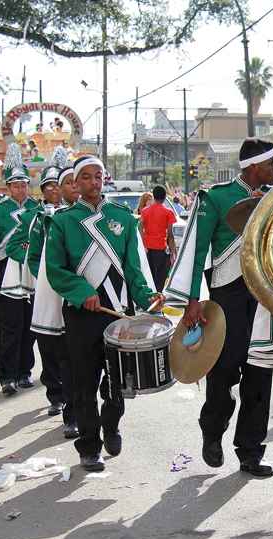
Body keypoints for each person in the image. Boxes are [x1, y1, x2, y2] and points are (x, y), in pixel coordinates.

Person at [164, 138, 273, 477]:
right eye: (272, 165)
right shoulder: (215, 197)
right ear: (255, 166)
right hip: (226, 295)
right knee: (224, 369)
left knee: (260, 370)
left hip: (264, 296)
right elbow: (196, 250)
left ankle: (250, 450)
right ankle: (212, 431)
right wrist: (191, 300)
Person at [45, 156, 163, 471]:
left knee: (118, 382)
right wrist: (83, 293)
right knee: (84, 381)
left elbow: (134, 269)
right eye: (86, 177)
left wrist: (149, 297)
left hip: (117, 314)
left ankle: (111, 425)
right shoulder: (62, 221)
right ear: (75, 182)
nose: (94, 182)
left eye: (98, 176)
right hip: (82, 315)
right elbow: (55, 270)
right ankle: (89, 446)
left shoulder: (123, 218)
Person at [6, 160, 78, 439]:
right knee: (50, 348)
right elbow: (28, 252)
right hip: (47, 292)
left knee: (75, 355)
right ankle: (56, 396)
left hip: (80, 296)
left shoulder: (85, 215)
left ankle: (76, 410)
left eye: (73, 183)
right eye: (54, 186)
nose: (59, 191)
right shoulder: (37, 217)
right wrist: (47, 278)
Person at [0, 146, 39, 395]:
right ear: (8, 186)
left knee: (30, 325)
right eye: (15, 185)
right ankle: (7, 376)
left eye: (23, 184)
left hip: (31, 270)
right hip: (6, 271)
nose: (20, 189)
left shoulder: (37, 208)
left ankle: (25, 372)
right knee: (10, 325)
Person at [139, 186, 178, 292]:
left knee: (149, 277)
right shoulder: (168, 212)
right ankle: (157, 301)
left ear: (154, 196)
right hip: (160, 249)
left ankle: (150, 299)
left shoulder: (146, 210)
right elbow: (170, 235)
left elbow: (140, 227)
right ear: (165, 197)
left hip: (147, 248)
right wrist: (173, 254)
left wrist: (142, 245)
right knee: (160, 280)